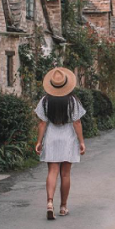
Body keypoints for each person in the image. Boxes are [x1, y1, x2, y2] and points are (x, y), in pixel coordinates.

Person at [35, 67, 86, 220]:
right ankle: (63, 206)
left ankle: (50, 203)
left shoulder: (45, 100)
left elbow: (42, 124)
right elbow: (77, 122)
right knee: (65, 174)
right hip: (67, 138)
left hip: (51, 137)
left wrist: (39, 141)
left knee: (52, 172)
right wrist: (81, 141)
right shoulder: (72, 101)